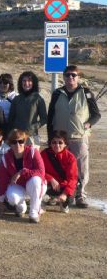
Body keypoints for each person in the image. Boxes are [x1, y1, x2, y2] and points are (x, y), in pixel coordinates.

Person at [47, 65, 101, 208]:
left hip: (79, 136)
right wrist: (50, 136)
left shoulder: (86, 93)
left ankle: (80, 195)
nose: (70, 78)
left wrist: (89, 124)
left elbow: (96, 114)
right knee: (59, 167)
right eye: (67, 75)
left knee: (81, 167)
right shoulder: (57, 93)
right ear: (63, 77)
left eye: (73, 75)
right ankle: (59, 194)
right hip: (60, 139)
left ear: (78, 77)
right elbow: (51, 116)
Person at [0, 129, 46, 223]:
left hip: (35, 185)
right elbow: (3, 180)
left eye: (21, 141)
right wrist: (1, 201)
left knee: (36, 180)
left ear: (25, 141)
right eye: (14, 142)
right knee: (12, 199)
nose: (17, 145)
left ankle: (34, 212)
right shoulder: (6, 157)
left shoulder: (33, 152)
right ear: (9, 143)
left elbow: (41, 172)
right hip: (19, 186)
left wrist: (21, 172)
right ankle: (21, 206)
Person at [41, 130, 78, 214]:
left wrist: (65, 194)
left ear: (65, 144)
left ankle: (64, 204)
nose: (57, 145)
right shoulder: (44, 154)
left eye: (60, 142)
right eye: (54, 142)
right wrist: (50, 179)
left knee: (71, 193)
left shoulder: (70, 157)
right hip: (48, 184)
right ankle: (42, 203)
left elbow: (72, 178)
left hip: (63, 185)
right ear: (50, 143)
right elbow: (39, 171)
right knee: (38, 183)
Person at [7, 71, 47, 146]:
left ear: (33, 83)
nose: (26, 83)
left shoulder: (38, 99)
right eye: (24, 81)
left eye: (29, 81)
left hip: (32, 137)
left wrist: (32, 127)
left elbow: (44, 119)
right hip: (17, 137)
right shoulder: (16, 99)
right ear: (21, 83)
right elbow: (10, 119)